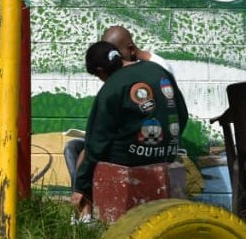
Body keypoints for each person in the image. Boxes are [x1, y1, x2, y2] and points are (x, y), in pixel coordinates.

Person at [70, 41, 189, 221]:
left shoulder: (112, 87)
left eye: (97, 75)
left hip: (128, 157)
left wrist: (81, 186)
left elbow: (97, 140)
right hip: (166, 154)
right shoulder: (159, 71)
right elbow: (183, 114)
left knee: (81, 152)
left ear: (101, 70)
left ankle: (84, 218)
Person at [64, 25, 176, 191]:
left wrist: (82, 187)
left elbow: (100, 137)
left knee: (83, 152)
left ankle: (84, 208)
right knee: (78, 147)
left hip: (134, 152)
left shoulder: (118, 82)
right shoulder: (156, 69)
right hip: (159, 148)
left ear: (129, 50)